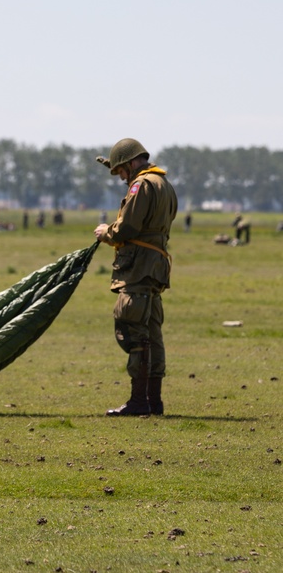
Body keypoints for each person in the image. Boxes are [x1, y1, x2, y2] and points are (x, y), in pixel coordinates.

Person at [94, 138, 178, 416]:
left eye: (120, 171)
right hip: (156, 268)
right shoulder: (164, 183)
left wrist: (107, 232)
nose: (121, 177)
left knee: (135, 329)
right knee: (153, 333)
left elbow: (128, 226)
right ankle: (154, 402)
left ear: (131, 164)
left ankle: (139, 402)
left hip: (139, 268)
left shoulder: (141, 185)